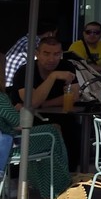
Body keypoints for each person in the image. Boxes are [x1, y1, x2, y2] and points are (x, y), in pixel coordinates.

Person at [8, 34, 84, 169]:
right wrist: (53, 76)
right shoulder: (26, 71)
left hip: (62, 116)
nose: (51, 59)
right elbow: (32, 102)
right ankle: (51, 174)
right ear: (37, 53)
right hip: (29, 120)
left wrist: (45, 103)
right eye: (46, 53)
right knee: (56, 129)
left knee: (74, 131)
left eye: (56, 54)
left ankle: (69, 174)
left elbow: (73, 96)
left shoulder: (66, 66)